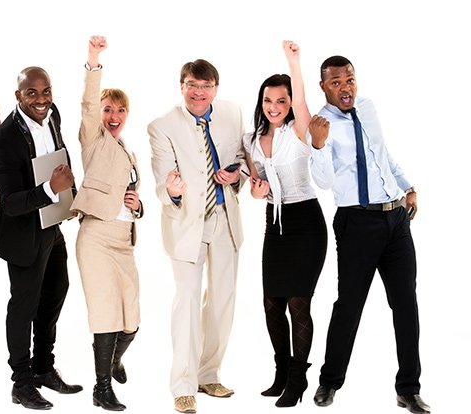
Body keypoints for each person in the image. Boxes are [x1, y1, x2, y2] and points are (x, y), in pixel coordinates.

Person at [308, 55, 430, 414]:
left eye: (349, 80)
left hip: (395, 220)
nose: (345, 88)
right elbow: (324, 182)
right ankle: (329, 382)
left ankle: (408, 388)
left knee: (406, 304)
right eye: (336, 82)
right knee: (349, 306)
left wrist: (408, 186)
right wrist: (317, 145)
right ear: (323, 86)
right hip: (357, 223)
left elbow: (382, 153)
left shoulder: (368, 107)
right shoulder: (321, 124)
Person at [149, 58, 246, 414]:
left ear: (215, 89)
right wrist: (172, 190)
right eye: (192, 85)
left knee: (223, 301)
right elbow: (162, 180)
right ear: (182, 87)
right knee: (187, 301)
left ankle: (209, 374)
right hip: (186, 223)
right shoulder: (162, 126)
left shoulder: (233, 113)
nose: (198, 92)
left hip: (225, 219)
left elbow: (243, 161)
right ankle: (183, 385)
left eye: (205, 86)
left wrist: (236, 177)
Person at [0, 63, 81, 410]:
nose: (41, 99)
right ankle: (22, 383)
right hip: (23, 234)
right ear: (18, 96)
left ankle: (44, 367)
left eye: (46, 92)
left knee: (57, 291)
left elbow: (59, 152)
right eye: (32, 93)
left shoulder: (52, 114)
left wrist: (68, 194)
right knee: (23, 307)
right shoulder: (5, 140)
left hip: (52, 223)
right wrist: (49, 189)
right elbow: (10, 203)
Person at [242, 41, 328, 408]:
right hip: (274, 225)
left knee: (298, 303)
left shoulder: (299, 130)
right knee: (271, 303)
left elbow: (303, 97)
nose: (274, 107)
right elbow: (254, 185)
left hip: (306, 222)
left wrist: (294, 62)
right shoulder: (251, 140)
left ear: (290, 102)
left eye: (281, 101)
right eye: (268, 101)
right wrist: (257, 192)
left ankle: (298, 377)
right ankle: (280, 371)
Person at [71, 36, 143, 412]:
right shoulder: (93, 141)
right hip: (96, 238)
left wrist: (138, 203)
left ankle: (114, 359)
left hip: (124, 241)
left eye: (120, 110)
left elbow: (129, 194)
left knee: (131, 320)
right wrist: (94, 61)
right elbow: (87, 103)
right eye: (107, 110)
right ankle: (101, 389)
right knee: (105, 314)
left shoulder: (128, 150)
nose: (113, 115)